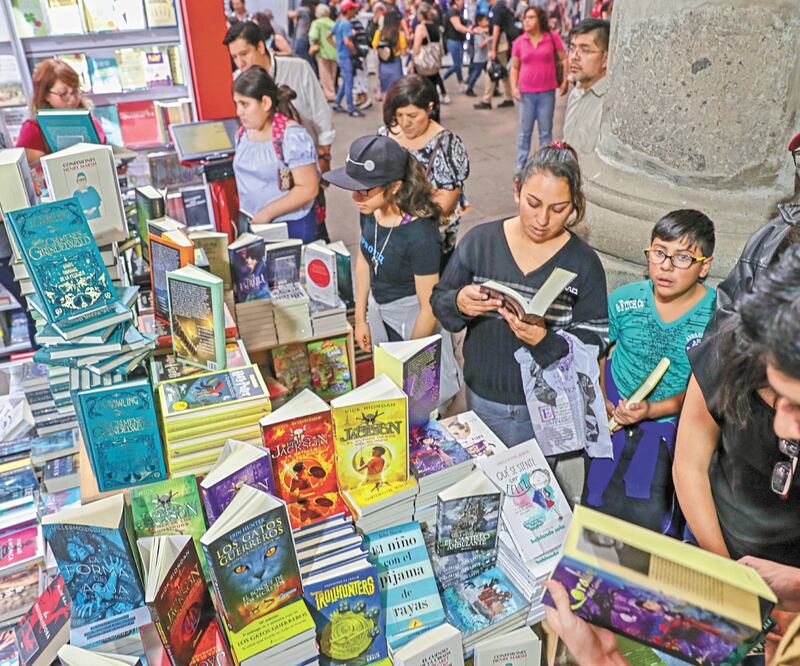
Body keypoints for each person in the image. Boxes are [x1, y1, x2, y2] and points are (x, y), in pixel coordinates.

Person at [545, 246, 800, 666]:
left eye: (796, 401)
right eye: (772, 395)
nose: (781, 427)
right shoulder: (733, 345)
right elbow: (691, 460)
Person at [431, 142, 609, 447]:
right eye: (533, 203)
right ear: (517, 190)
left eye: (558, 209)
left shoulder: (582, 263)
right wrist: (459, 301)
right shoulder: (480, 242)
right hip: (481, 395)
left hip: (546, 407)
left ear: (575, 205)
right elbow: (440, 301)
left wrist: (545, 342)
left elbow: (596, 339)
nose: (542, 220)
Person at [582, 210, 716, 536]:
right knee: (598, 505)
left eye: (682, 257)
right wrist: (600, 398)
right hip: (615, 416)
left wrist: (653, 409)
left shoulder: (716, 315)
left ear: (705, 266)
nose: (666, 266)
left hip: (670, 430)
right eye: (659, 253)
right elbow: (596, 348)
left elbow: (708, 388)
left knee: (652, 516)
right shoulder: (626, 301)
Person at [323, 135, 442, 353]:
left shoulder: (421, 236)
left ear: (395, 186)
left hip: (413, 322)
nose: (355, 197)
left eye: (364, 190)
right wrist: (361, 319)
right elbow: (364, 261)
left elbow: (429, 309)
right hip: (379, 310)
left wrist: (408, 358)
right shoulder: (370, 209)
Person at [379, 75, 470, 267]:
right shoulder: (384, 134)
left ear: (430, 108)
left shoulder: (447, 145)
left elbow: (447, 202)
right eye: (399, 115)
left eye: (412, 116)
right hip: (388, 237)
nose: (404, 123)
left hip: (428, 240)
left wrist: (406, 217)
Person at [224, 20, 334, 173]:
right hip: (266, 173)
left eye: (244, 54)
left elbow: (320, 112)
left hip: (307, 163)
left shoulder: (298, 68)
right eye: (234, 57)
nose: (240, 63)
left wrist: (324, 156)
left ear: (260, 47)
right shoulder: (238, 82)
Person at [231, 67, 320, 242]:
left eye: (245, 104)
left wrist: (267, 213)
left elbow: (308, 188)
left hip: (289, 226)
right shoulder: (242, 134)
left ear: (265, 103)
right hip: (252, 223)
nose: (238, 112)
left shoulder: (291, 137)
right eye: (237, 104)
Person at [16, 58, 107, 167]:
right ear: (45, 95)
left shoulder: (90, 121)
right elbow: (31, 173)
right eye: (63, 94)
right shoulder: (33, 130)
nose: (72, 99)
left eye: (75, 91)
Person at [509, 6, 568, 169]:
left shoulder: (552, 37)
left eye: (530, 17)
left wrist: (565, 80)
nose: (526, 21)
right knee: (524, 133)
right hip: (526, 94)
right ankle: (519, 167)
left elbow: (564, 59)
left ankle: (544, 166)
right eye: (524, 18)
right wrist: (513, 87)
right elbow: (514, 67)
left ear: (539, 19)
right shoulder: (520, 42)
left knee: (545, 133)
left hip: (547, 93)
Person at [563, 18, 609, 157]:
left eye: (584, 50)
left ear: (606, 58)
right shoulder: (576, 92)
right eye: (572, 48)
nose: (573, 57)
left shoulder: (609, 106)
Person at [473, 0, 516, 110]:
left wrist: (493, 49)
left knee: (491, 70)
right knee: (503, 72)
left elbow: (496, 29)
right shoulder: (502, 7)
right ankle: (509, 98)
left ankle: (486, 100)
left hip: (500, 46)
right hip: (504, 44)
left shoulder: (497, 9)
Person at [330, 1, 365, 117]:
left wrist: (336, 47)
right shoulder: (346, 24)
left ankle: (337, 102)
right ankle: (351, 108)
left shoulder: (338, 22)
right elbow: (347, 41)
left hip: (340, 55)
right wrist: (355, 50)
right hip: (346, 57)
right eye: (353, 9)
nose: (355, 11)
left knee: (345, 81)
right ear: (348, 10)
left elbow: (328, 36)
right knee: (349, 82)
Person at [412, 3, 449, 104]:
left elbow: (416, 48)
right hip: (434, 64)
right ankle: (435, 112)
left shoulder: (421, 28)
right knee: (432, 88)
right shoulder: (436, 28)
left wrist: (412, 63)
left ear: (421, 15)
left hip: (423, 65)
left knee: (422, 89)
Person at [372, 10, 408, 98]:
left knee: (385, 93)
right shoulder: (399, 34)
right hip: (396, 64)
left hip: (383, 65)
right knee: (396, 91)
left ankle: (386, 110)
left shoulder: (378, 33)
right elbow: (404, 53)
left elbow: (374, 48)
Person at [309, 4, 338, 101]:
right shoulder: (333, 23)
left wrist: (313, 44)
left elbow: (313, 36)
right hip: (334, 50)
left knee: (325, 74)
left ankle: (329, 95)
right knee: (332, 73)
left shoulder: (316, 23)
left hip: (322, 51)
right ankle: (332, 92)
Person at [442, 0, 471, 90]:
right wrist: (470, 30)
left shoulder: (456, 11)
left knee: (458, 64)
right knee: (457, 65)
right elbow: (457, 26)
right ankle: (442, 79)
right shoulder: (452, 12)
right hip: (453, 41)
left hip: (457, 41)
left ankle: (461, 83)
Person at [465, 13, 490, 97]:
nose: (487, 22)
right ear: (479, 22)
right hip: (480, 57)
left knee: (490, 73)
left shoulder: (481, 30)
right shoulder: (477, 32)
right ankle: (469, 89)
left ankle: (494, 89)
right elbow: (481, 45)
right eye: (485, 21)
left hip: (484, 57)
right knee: (476, 73)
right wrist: (489, 39)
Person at [289, 0, 316, 66]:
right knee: (306, 57)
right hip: (306, 36)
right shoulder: (309, 11)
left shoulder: (302, 9)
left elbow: (290, 14)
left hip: (300, 37)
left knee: (300, 56)